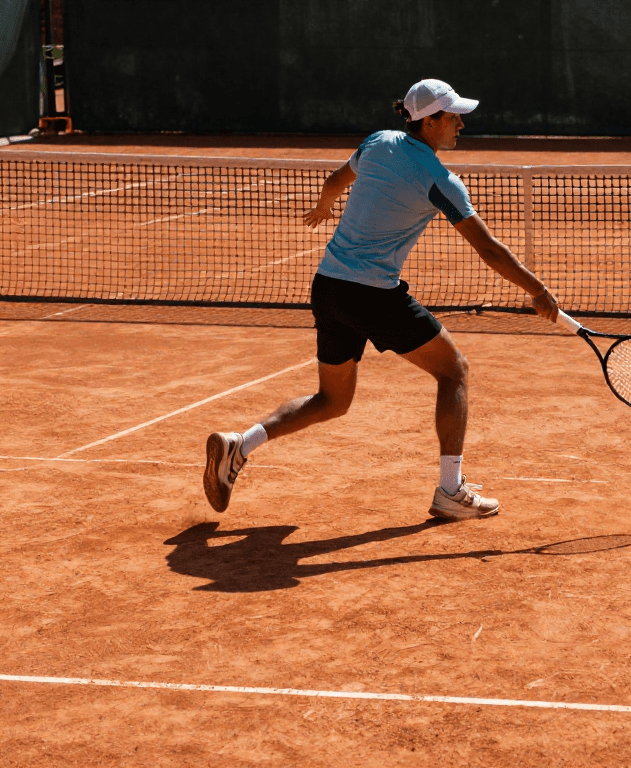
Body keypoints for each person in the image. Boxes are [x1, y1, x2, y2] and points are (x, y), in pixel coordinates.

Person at [203, 79, 559, 521]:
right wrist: (537, 290)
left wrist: (324, 207)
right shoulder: (440, 180)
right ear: (429, 122)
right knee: (455, 371)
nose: (461, 124)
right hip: (372, 294)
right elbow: (487, 249)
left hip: (328, 286)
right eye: (453, 116)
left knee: (332, 401)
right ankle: (451, 490)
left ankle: (242, 443)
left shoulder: (378, 141)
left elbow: (336, 180)